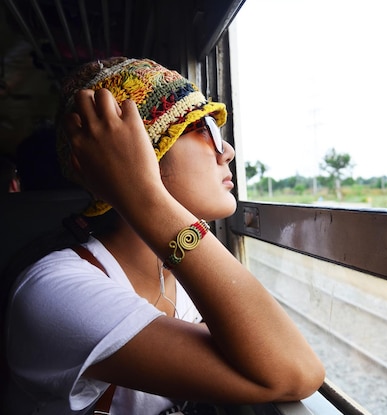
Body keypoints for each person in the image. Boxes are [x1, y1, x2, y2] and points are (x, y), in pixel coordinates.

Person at [2, 57, 325, 414]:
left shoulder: (177, 278)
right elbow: (295, 372)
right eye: (206, 129)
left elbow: (264, 350)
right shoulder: (57, 293)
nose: (228, 151)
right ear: (141, 155)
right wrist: (144, 195)